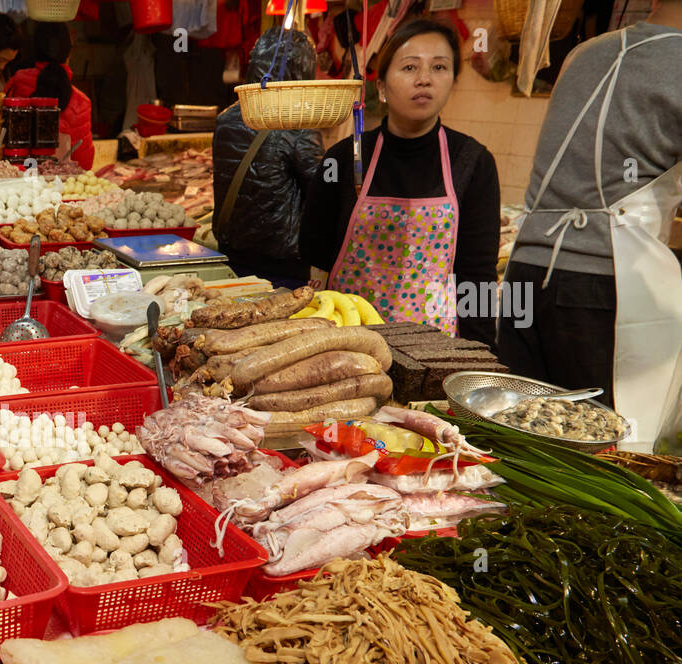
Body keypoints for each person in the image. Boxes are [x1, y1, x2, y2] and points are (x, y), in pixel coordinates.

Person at [496, 4, 682, 451]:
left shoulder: (585, 52)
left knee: (522, 447)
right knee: (605, 455)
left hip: (525, 274)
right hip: (604, 290)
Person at [299, 17, 500, 341]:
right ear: (381, 87)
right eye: (409, 68)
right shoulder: (342, 158)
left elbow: (478, 277)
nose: (425, 79)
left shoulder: (474, 162)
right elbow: (313, 253)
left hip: (434, 347)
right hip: (348, 341)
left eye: (439, 68)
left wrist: (480, 360)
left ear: (452, 80)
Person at [212, 27, 324, 286]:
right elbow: (320, 193)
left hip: (233, 250)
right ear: (303, 70)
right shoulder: (298, 122)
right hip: (283, 261)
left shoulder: (226, 118)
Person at [5, 23, 94, 170]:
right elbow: (84, 165)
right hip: (60, 188)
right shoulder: (82, 102)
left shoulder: (16, 83)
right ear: (69, 54)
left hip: (16, 184)